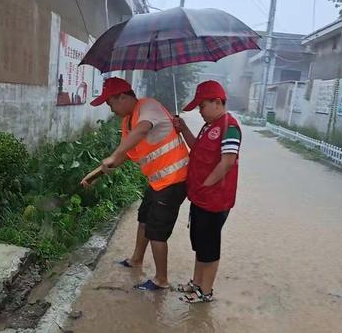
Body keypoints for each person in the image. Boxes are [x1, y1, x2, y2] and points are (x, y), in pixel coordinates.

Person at [81, 77, 188, 290]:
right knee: (144, 218)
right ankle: (136, 259)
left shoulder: (148, 107)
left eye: (110, 103)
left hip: (175, 180)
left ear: (122, 97)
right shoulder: (128, 121)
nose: (110, 109)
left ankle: (162, 280)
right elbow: (124, 155)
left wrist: (113, 155)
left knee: (157, 232)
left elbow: (141, 131)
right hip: (158, 181)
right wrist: (92, 176)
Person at [173, 80, 241, 303]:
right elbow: (197, 150)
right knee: (200, 242)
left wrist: (206, 184)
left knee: (209, 245)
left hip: (215, 199)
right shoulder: (208, 126)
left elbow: (227, 162)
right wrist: (182, 129)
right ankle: (196, 282)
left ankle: (206, 291)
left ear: (217, 102)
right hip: (201, 197)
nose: (200, 111)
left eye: (202, 106)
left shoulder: (229, 127)